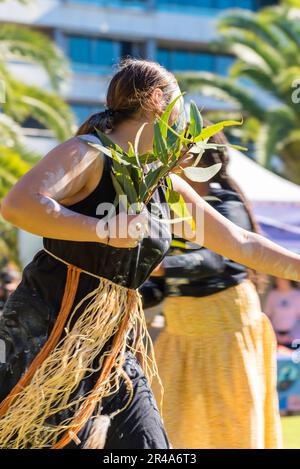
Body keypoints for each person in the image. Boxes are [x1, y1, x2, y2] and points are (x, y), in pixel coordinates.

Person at [1, 59, 300, 449]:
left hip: (114, 351)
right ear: (159, 100)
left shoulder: (164, 183)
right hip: (47, 338)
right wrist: (102, 230)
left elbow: (242, 243)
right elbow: (19, 204)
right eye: (180, 100)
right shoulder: (88, 153)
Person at [150, 128, 282, 449]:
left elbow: (216, 260)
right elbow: (158, 283)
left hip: (225, 334)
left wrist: (162, 265)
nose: (169, 159)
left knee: (230, 433)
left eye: (177, 151)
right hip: (180, 336)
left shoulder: (226, 200)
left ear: (199, 158)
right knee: (170, 434)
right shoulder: (169, 206)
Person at [264, 278, 300, 347]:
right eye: (277, 279)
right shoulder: (272, 295)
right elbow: (267, 316)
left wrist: (290, 335)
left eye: (281, 279)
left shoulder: (297, 295)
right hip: (276, 338)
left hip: (294, 339)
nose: (279, 281)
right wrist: (275, 334)